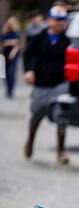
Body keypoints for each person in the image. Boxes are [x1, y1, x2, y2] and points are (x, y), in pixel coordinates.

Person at [23, 5, 70, 165]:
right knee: (36, 116)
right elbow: (27, 54)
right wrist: (29, 70)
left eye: (62, 20)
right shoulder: (38, 38)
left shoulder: (67, 40)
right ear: (49, 20)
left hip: (60, 84)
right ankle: (30, 141)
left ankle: (61, 152)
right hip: (41, 84)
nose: (59, 23)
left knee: (61, 117)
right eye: (56, 20)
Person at [0, 17, 21, 98]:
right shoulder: (5, 33)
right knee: (5, 73)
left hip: (13, 55)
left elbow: (17, 45)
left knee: (11, 72)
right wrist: (11, 42)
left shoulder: (16, 33)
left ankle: (11, 90)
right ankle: (8, 89)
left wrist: (13, 52)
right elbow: (3, 43)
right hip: (5, 54)